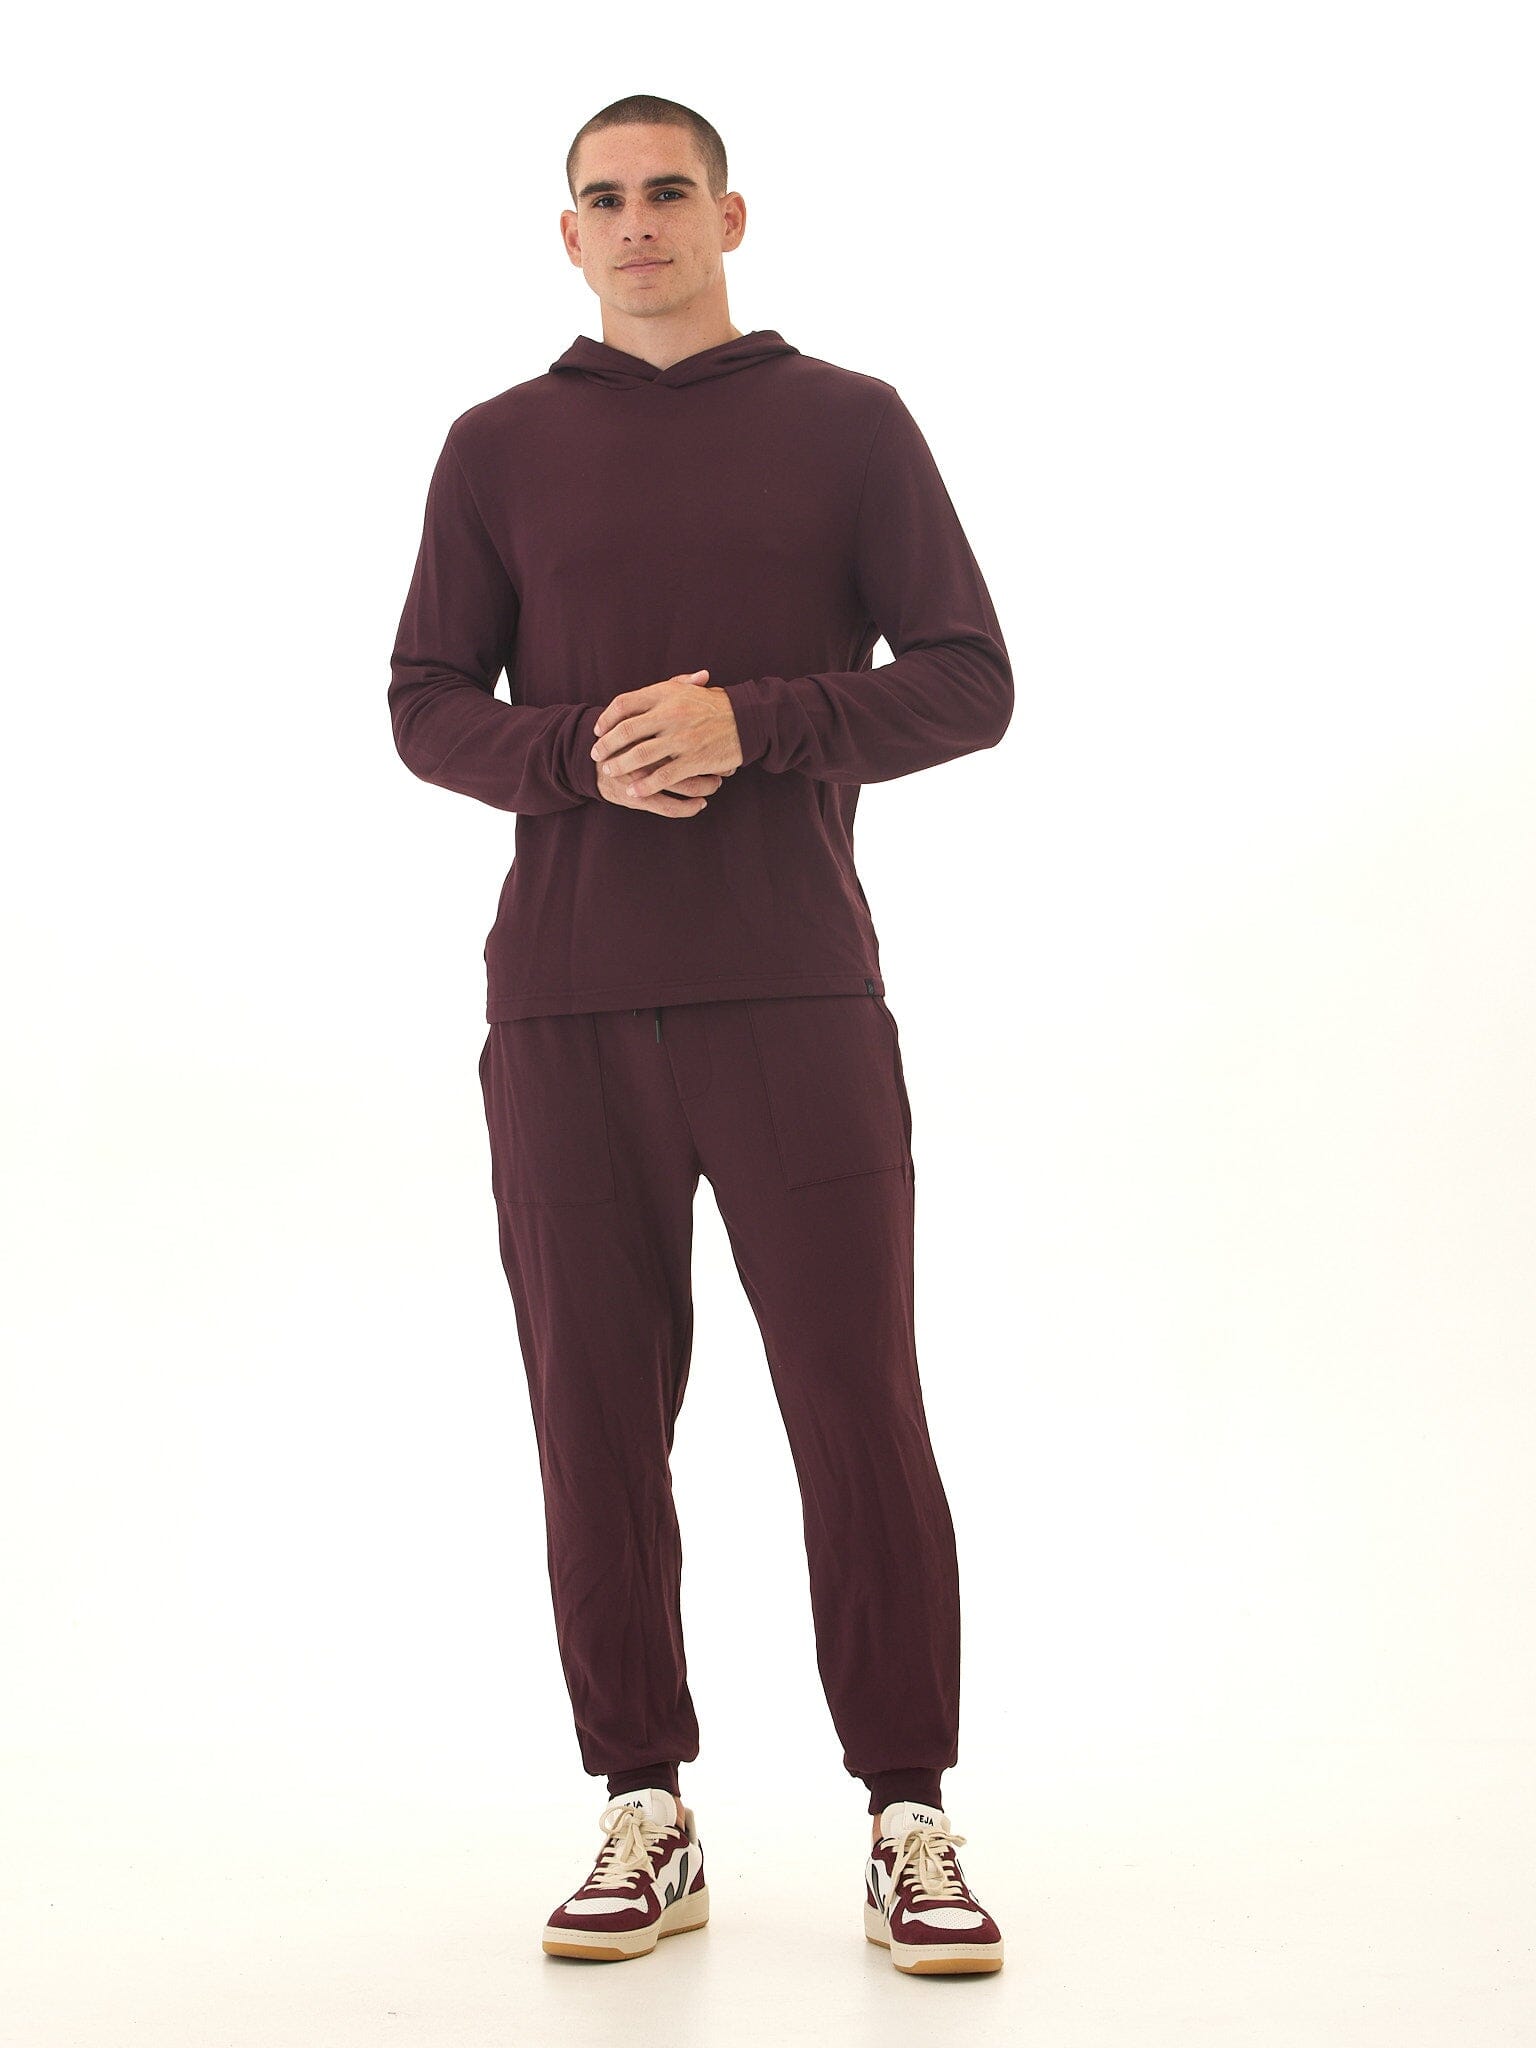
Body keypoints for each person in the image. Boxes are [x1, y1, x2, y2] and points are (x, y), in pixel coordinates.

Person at [387, 93, 1013, 1975]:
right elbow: (425, 702)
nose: (639, 220)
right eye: (605, 198)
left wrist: (763, 721)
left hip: (796, 992)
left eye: (670, 191)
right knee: (592, 1417)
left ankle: (908, 1814)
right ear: (566, 235)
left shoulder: (852, 425)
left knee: (856, 1405)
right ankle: (641, 1807)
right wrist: (577, 752)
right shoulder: (498, 446)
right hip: (562, 1003)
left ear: (730, 215)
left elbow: (970, 681)